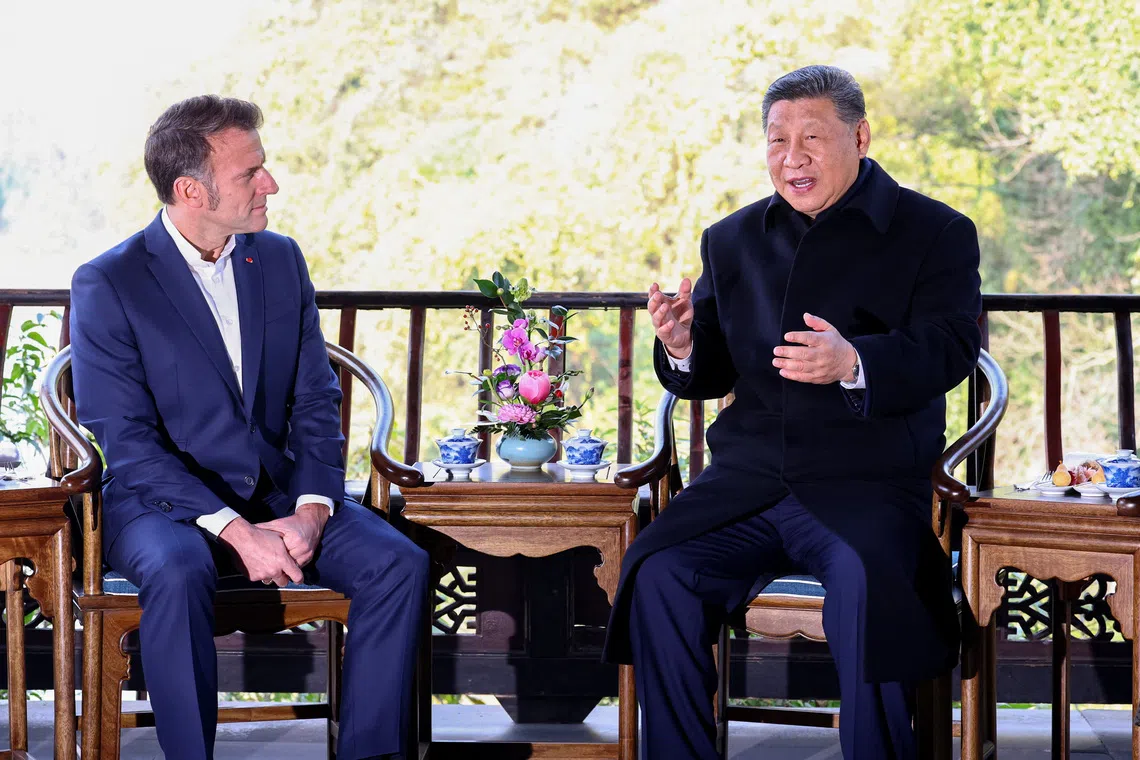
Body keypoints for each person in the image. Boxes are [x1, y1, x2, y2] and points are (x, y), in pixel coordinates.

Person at [602, 65, 982, 759]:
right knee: (659, 571)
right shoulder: (731, 238)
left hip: (865, 481)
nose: (792, 156)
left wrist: (853, 362)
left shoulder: (935, 231)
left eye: (812, 137)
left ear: (860, 137)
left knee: (872, 589)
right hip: (744, 482)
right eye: (777, 140)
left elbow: (953, 348)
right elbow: (712, 369)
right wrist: (684, 344)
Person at [69, 95, 428, 760]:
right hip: (163, 506)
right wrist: (235, 531)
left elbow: (317, 403)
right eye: (250, 173)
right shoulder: (109, 282)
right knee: (177, 572)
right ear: (189, 190)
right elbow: (129, 444)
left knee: (398, 562)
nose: (271, 183)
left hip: (280, 494)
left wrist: (312, 513)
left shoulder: (281, 260)